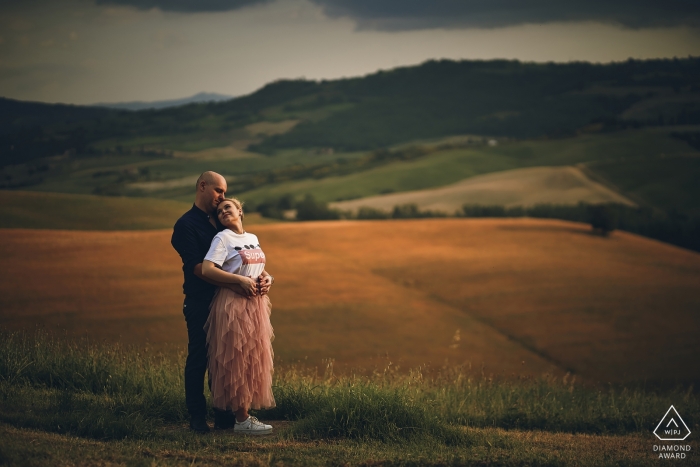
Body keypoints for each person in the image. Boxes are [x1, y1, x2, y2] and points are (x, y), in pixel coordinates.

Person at [171, 171, 246, 433]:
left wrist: (263, 278)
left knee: (223, 360)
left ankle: (224, 416)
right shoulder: (185, 225)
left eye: (224, 193)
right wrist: (237, 284)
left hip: (227, 302)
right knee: (199, 358)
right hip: (200, 301)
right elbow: (197, 269)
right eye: (219, 191)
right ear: (203, 186)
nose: (223, 197)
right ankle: (197, 418)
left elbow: (240, 257)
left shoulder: (220, 221)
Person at [201, 198, 276, 435]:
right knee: (237, 358)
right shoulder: (222, 238)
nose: (223, 211)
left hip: (255, 305)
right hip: (233, 304)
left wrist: (269, 278)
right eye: (219, 210)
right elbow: (207, 268)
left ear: (240, 211)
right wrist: (240, 281)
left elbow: (256, 266)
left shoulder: (251, 238)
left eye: (228, 207)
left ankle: (244, 415)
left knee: (253, 357)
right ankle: (241, 419)